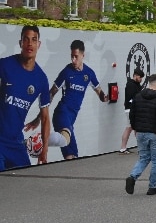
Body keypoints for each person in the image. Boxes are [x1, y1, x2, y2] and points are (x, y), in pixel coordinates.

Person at [0, 25, 52, 169]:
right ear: (20, 43)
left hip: (16, 143)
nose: (30, 43)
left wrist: (44, 150)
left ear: (38, 45)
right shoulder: (5, 65)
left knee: (27, 182)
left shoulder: (41, 79)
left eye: (34, 40)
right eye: (26, 39)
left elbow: (46, 117)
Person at [49, 39, 106, 160]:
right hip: (62, 113)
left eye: (76, 57)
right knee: (65, 138)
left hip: (71, 118)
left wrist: (104, 97)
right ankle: (39, 141)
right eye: (72, 57)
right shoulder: (66, 72)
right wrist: (41, 116)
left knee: (72, 156)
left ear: (82, 55)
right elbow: (51, 92)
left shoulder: (89, 73)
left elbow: (99, 91)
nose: (73, 60)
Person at [125, 74, 156, 195]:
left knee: (144, 157)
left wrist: (135, 127)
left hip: (140, 132)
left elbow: (132, 113)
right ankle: (152, 186)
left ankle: (132, 176)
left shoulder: (138, 95)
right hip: (155, 132)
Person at [118, 68, 145, 154]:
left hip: (132, 109)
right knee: (133, 128)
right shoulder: (131, 85)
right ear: (135, 76)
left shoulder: (137, 85)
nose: (141, 79)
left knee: (130, 128)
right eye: (140, 77)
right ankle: (140, 148)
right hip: (131, 109)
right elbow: (131, 98)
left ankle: (124, 148)